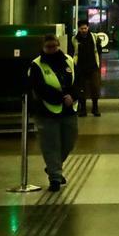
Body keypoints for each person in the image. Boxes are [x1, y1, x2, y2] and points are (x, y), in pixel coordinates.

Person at [26, 33, 77, 191]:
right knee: (51, 144)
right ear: (43, 47)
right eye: (49, 47)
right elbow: (40, 88)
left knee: (69, 141)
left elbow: (78, 80)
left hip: (68, 110)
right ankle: (55, 177)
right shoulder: (37, 65)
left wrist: (73, 96)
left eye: (55, 46)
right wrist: (61, 97)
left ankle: (53, 166)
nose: (52, 49)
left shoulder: (69, 60)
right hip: (46, 111)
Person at [72, 20, 102, 117]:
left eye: (85, 28)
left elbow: (98, 50)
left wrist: (98, 63)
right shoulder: (75, 39)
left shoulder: (94, 37)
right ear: (79, 29)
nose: (84, 30)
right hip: (80, 67)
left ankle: (95, 108)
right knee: (81, 89)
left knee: (95, 87)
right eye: (82, 28)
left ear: (88, 27)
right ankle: (83, 109)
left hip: (93, 67)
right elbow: (72, 52)